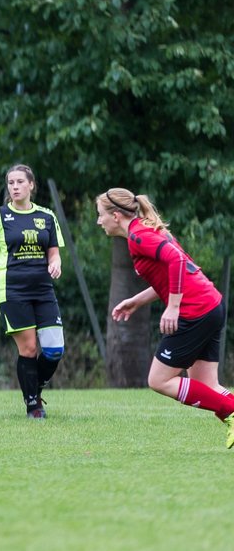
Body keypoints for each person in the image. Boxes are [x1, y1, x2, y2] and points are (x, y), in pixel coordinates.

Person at [95, 189, 234, 447]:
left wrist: (173, 307)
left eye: (100, 215)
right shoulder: (144, 229)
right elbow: (171, 270)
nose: (98, 221)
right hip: (210, 304)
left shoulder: (138, 235)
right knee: (206, 385)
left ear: (115, 216)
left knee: (158, 380)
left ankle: (231, 411)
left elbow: (177, 261)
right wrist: (137, 300)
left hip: (195, 311)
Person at [0, 164, 65, 418]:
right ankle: (33, 405)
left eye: (20, 182)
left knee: (54, 350)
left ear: (31, 185)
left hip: (43, 290)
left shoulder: (47, 216)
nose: (15, 187)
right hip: (13, 290)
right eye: (11, 183)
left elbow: (54, 253)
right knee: (29, 348)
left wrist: (55, 263)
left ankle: (35, 384)